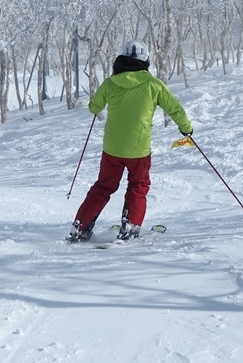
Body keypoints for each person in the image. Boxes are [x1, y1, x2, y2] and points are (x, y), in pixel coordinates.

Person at [68, 40, 193, 243]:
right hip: (139, 148)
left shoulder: (111, 82)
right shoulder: (154, 84)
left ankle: (81, 225)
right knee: (138, 186)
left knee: (103, 186)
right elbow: (175, 109)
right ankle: (130, 226)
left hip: (112, 148)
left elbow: (93, 107)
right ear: (145, 61)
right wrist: (186, 129)